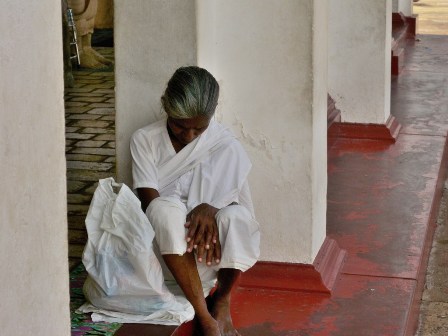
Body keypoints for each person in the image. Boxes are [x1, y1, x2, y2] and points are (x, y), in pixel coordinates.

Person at [130, 66, 260, 336]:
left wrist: (211, 210)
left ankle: (222, 299)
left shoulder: (225, 145)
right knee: (165, 210)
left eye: (198, 129)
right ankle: (204, 315)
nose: (188, 136)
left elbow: (240, 209)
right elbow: (149, 203)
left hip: (209, 250)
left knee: (235, 217)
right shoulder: (145, 140)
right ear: (166, 107)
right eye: (179, 124)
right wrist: (190, 223)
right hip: (167, 250)